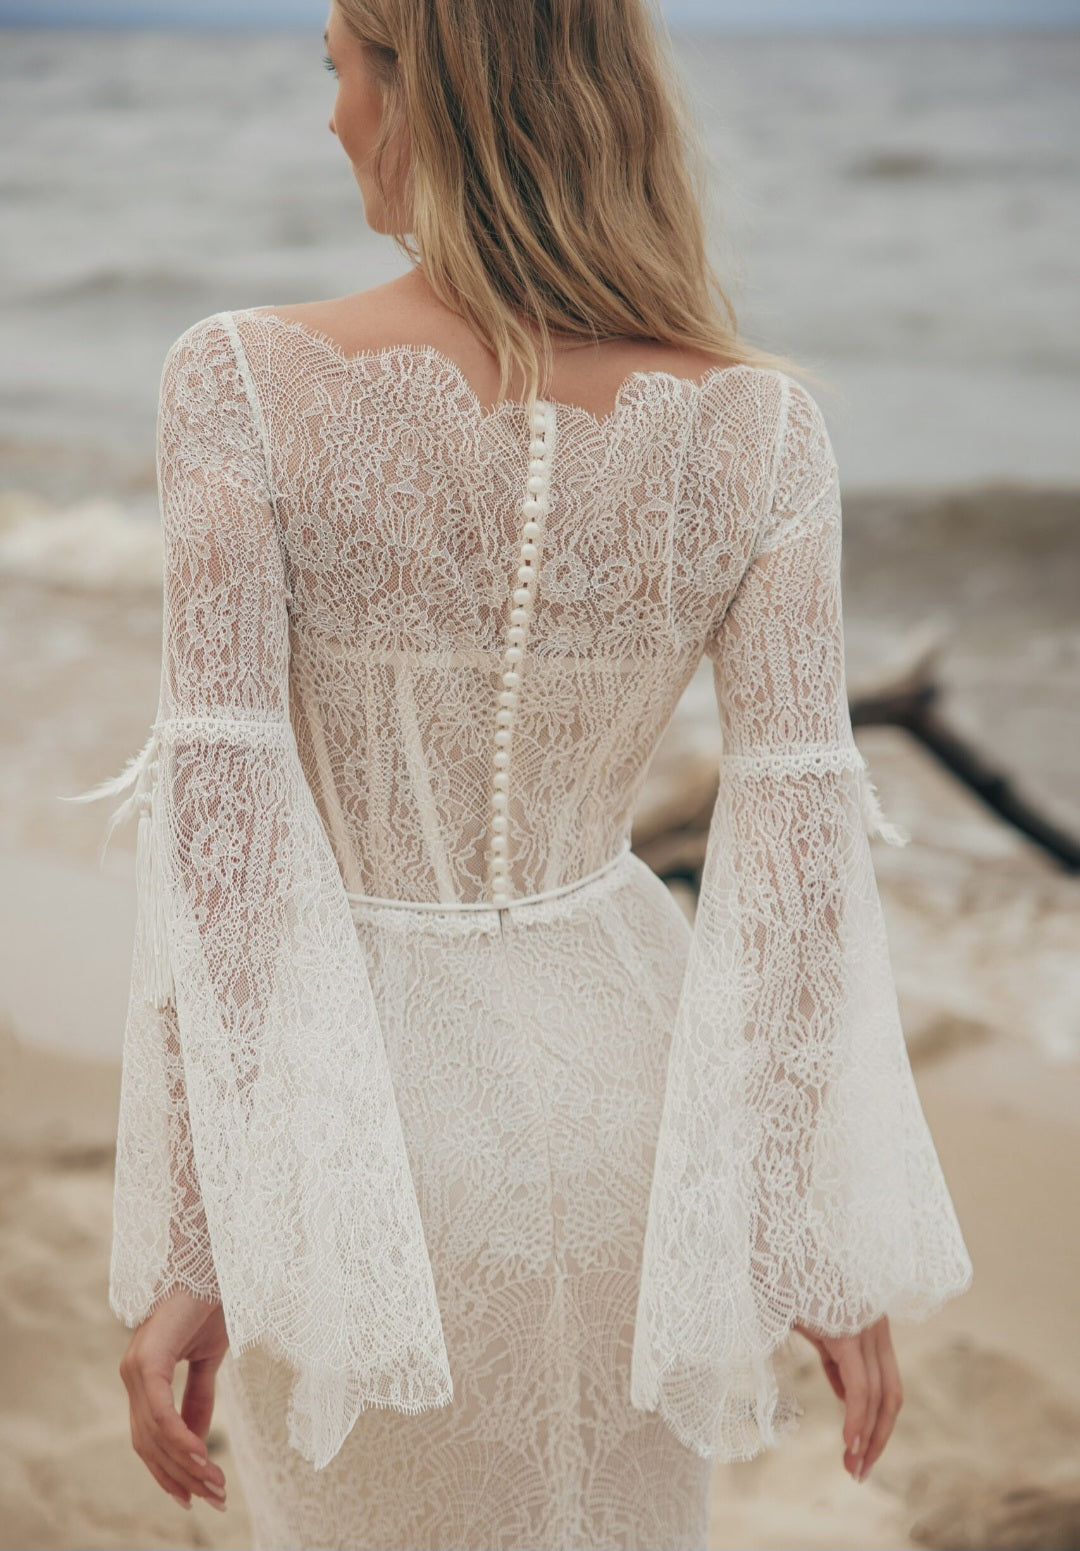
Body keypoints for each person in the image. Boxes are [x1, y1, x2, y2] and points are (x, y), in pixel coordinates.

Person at [66, 0, 974, 1546]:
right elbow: (802, 850)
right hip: (642, 1095)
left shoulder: (239, 384)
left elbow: (221, 838)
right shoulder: (762, 429)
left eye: (343, 71)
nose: (332, 116)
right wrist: (808, 1218)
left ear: (429, 94)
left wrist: (194, 1236)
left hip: (354, 1109)